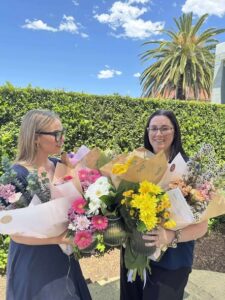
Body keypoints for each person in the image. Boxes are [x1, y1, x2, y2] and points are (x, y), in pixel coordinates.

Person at [120, 109, 208, 300]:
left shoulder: (190, 171)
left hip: (171, 262)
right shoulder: (136, 164)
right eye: (153, 128)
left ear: (175, 132)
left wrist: (169, 236)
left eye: (164, 128)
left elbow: (202, 226)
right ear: (147, 132)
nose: (158, 134)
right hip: (135, 255)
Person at [6, 109, 92, 300]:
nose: (61, 139)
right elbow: (13, 230)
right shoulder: (16, 175)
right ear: (35, 138)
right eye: (56, 134)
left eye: (62, 132)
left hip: (64, 257)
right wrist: (58, 239)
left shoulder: (59, 164)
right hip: (34, 263)